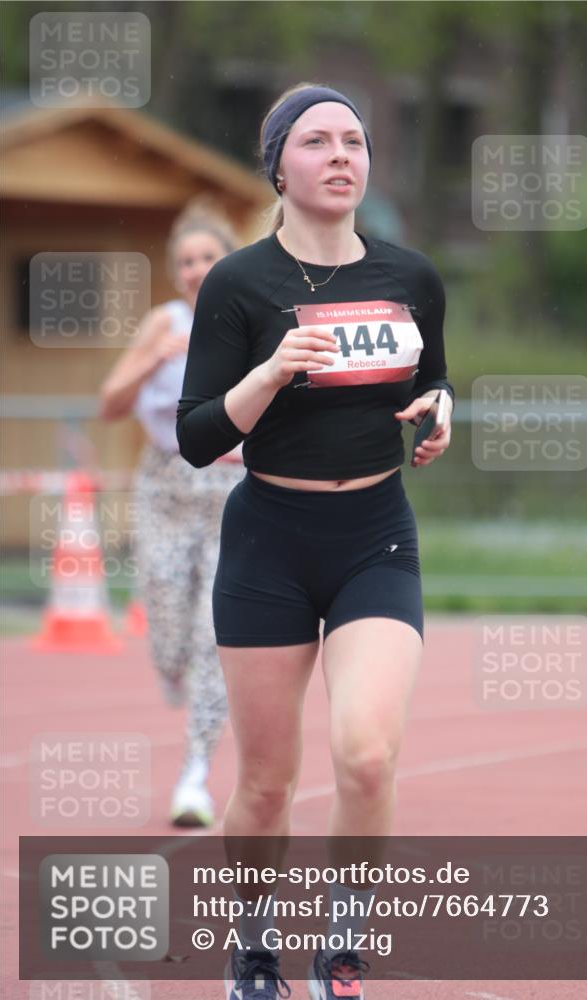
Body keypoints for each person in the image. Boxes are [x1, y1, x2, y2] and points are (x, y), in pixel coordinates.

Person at [177, 83, 454, 1000]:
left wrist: (439, 410)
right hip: (269, 543)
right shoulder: (238, 283)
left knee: (366, 755)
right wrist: (268, 373)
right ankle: (252, 950)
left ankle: (340, 949)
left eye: (353, 141)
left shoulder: (412, 277)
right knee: (265, 783)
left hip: (375, 536)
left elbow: (434, 378)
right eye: (316, 141)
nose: (340, 155)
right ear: (278, 168)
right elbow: (196, 437)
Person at [99, 198, 245, 827]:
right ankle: (169, 664)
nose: (196, 270)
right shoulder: (161, 323)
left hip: (231, 489)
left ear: (229, 262)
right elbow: (109, 404)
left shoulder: (251, 321)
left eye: (208, 257)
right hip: (165, 485)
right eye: (186, 261)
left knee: (215, 634)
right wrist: (153, 357)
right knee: (165, 621)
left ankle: (195, 775)